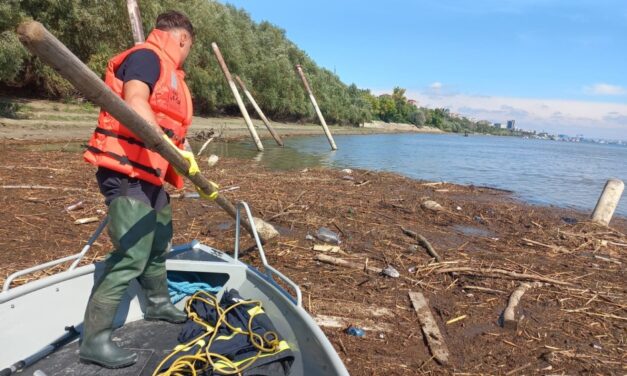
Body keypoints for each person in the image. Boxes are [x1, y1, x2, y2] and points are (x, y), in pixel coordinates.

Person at [81, 10, 213, 368]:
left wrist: (182, 156)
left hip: (150, 174)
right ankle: (94, 341)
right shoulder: (145, 58)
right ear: (182, 39)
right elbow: (136, 100)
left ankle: (157, 304)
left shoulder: (168, 69)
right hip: (126, 173)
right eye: (188, 47)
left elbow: (167, 127)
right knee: (133, 253)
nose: (187, 54)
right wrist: (167, 146)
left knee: (159, 241)